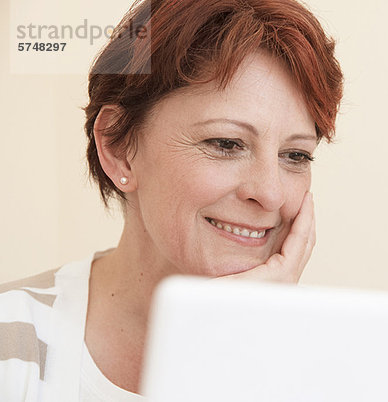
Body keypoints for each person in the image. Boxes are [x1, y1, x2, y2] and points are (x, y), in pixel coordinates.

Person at [0, 0, 343, 400]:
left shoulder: (338, 363)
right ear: (119, 147)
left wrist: (247, 340)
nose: (270, 194)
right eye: (226, 143)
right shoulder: (12, 341)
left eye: (295, 156)